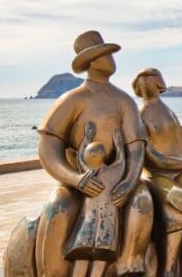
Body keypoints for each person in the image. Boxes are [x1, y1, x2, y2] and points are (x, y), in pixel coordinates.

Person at [35, 31, 153, 276]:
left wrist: (130, 181)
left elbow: (136, 146)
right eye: (106, 54)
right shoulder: (73, 99)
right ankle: (53, 271)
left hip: (116, 180)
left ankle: (129, 264)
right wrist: (76, 179)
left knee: (142, 199)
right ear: (94, 61)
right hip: (79, 181)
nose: (112, 58)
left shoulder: (124, 101)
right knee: (57, 206)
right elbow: (48, 147)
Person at [133, 68, 182, 277]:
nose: (147, 85)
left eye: (150, 80)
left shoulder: (168, 111)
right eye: (143, 81)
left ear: (159, 83)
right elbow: (149, 156)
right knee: (175, 198)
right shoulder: (139, 115)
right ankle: (168, 269)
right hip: (158, 173)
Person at [66, 127, 126, 277]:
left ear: (88, 157)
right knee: (100, 261)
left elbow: (80, 156)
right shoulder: (114, 173)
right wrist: (119, 145)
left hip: (87, 225)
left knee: (81, 258)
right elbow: (121, 160)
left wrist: (87, 137)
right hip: (107, 228)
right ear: (104, 156)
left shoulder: (86, 174)